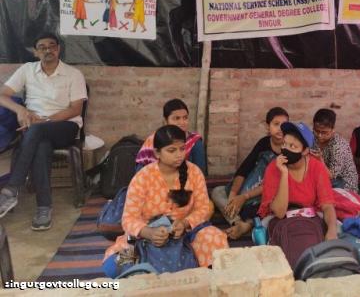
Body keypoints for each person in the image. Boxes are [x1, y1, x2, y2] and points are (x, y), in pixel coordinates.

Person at [103, 125, 228, 272]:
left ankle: (193, 268)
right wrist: (149, 233)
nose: (179, 155)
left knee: (215, 241)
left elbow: (204, 208)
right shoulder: (142, 177)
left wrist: (185, 223)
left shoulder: (194, 172)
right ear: (157, 153)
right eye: (171, 150)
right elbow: (128, 219)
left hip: (187, 234)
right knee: (113, 266)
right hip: (145, 239)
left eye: (182, 149)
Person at [0, 33, 87, 230]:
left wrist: (45, 120)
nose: (48, 50)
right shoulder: (27, 69)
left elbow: (75, 109)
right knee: (41, 146)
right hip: (36, 130)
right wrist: (20, 110)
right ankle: (43, 208)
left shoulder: (74, 74)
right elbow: (2, 95)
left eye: (52, 46)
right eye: (42, 47)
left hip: (65, 126)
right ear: (35, 52)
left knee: (36, 131)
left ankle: (12, 189)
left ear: (58, 49)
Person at [258, 122, 337, 258]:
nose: (285, 149)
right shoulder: (273, 168)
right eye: (284, 144)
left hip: (310, 219)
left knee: (321, 246)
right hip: (281, 221)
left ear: (305, 151)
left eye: (293, 146)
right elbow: (279, 212)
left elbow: (327, 205)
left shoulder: (317, 168)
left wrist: (332, 230)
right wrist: (284, 174)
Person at [210, 107, 288, 239]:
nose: (280, 128)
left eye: (284, 125)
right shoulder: (263, 143)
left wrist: (244, 197)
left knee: (271, 206)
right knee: (217, 192)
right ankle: (238, 223)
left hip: (266, 194)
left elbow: (274, 185)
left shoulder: (289, 149)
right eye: (276, 124)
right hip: (249, 187)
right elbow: (244, 169)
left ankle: (248, 224)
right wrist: (233, 196)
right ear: (267, 126)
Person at [136, 99, 207, 174]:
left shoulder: (195, 142)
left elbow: (199, 173)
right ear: (166, 121)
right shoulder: (153, 140)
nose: (182, 122)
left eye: (185, 118)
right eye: (176, 118)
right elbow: (139, 172)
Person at [311, 108, 358, 192]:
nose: (319, 135)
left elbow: (331, 176)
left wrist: (320, 160)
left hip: (343, 183)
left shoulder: (338, 146)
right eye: (316, 131)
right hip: (323, 177)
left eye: (324, 132)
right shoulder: (313, 138)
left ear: (333, 130)